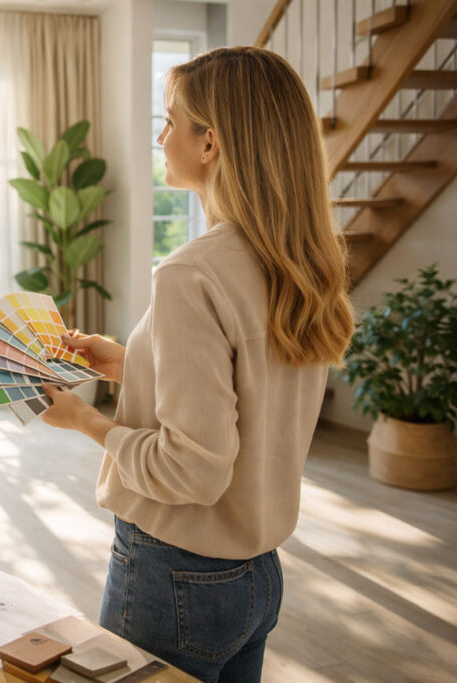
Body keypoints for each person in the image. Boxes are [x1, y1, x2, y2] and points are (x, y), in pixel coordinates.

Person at [39, 46, 354, 683]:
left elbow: (192, 472)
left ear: (209, 142)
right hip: (256, 576)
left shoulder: (191, 273)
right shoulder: (296, 259)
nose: (160, 137)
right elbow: (248, 397)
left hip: (172, 574)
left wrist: (83, 421)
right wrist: (130, 365)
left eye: (170, 120)